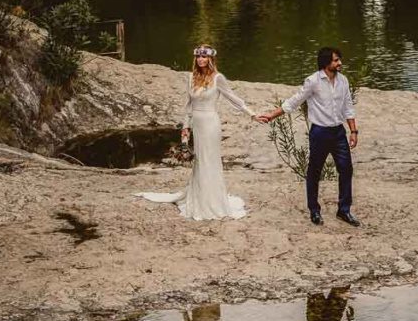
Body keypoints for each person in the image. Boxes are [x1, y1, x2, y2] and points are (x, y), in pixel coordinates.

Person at [136, 45, 257, 220]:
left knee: (210, 161)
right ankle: (199, 198)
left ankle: (213, 202)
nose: (201, 59)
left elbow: (234, 99)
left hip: (211, 124)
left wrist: (253, 114)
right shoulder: (190, 78)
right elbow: (188, 108)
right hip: (197, 125)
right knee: (200, 162)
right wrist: (185, 134)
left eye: (204, 57)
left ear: (210, 59)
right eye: (198, 56)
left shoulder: (218, 78)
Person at [256, 46, 360, 227]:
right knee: (314, 171)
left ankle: (344, 210)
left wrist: (353, 131)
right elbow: (294, 101)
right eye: (336, 60)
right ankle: (314, 210)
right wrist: (272, 115)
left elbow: (348, 106)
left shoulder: (343, 81)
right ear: (326, 62)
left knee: (346, 169)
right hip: (319, 132)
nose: (340, 63)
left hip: (338, 132)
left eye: (339, 59)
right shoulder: (313, 81)